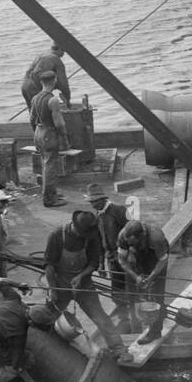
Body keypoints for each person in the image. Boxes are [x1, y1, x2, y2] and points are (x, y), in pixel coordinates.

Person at [43, 209, 135, 365]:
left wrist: (81, 276)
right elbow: (49, 265)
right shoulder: (56, 236)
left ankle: (119, 349)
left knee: (101, 317)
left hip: (84, 284)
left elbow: (93, 262)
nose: (83, 237)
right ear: (73, 225)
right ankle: (47, 352)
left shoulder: (90, 237)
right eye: (81, 233)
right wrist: (53, 289)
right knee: (48, 318)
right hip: (60, 285)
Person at [85, 183, 134, 331]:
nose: (92, 205)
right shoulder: (97, 216)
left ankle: (136, 317)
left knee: (131, 287)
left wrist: (132, 256)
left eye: (94, 202)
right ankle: (124, 319)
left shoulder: (119, 210)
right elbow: (98, 241)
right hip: (111, 258)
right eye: (91, 202)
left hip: (125, 257)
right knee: (116, 289)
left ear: (102, 200)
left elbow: (132, 234)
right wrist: (101, 263)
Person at [117, 220, 170, 340]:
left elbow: (163, 260)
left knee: (157, 296)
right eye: (129, 243)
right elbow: (122, 260)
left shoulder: (156, 238)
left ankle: (155, 332)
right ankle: (136, 328)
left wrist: (151, 277)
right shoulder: (123, 236)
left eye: (134, 243)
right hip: (136, 257)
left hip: (155, 258)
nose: (130, 244)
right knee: (132, 294)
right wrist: (136, 277)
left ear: (141, 237)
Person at [29, 69, 68, 208]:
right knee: (50, 167)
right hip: (49, 135)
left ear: (41, 82)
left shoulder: (35, 98)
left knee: (45, 164)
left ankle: (51, 193)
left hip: (38, 133)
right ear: (54, 81)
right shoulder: (53, 100)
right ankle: (49, 200)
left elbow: (31, 119)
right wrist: (64, 138)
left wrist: (37, 133)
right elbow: (59, 123)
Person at [21, 42, 71, 112]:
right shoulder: (56, 60)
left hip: (24, 86)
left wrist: (56, 85)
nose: (64, 53)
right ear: (60, 49)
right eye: (64, 51)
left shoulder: (42, 55)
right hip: (35, 88)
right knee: (44, 115)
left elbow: (37, 73)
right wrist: (68, 100)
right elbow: (63, 84)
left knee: (34, 114)